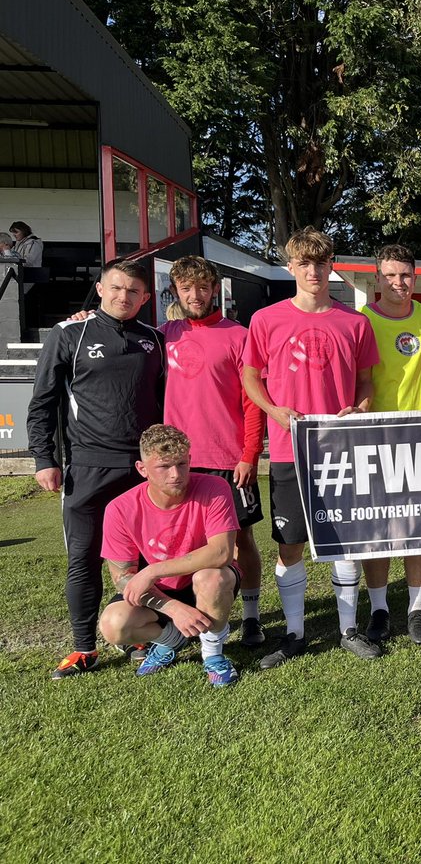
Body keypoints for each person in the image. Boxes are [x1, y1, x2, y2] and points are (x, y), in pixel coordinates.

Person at [242, 226, 379, 668]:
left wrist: (359, 410)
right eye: (305, 264)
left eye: (321, 263)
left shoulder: (354, 321)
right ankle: (295, 634)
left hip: (342, 449)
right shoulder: (267, 319)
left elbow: (365, 382)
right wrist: (274, 410)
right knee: (290, 543)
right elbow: (250, 377)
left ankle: (348, 630)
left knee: (346, 542)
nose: (314, 271)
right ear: (291, 268)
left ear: (330, 266)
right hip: (288, 447)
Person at [28, 257, 165, 680]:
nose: (124, 296)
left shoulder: (154, 339)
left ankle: (141, 636)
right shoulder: (70, 332)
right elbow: (43, 402)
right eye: (117, 287)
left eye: (134, 291)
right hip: (87, 467)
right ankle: (83, 647)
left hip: (141, 470)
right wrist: (44, 459)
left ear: (145, 298)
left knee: (141, 558)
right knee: (83, 558)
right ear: (101, 288)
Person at [160, 256, 266, 648]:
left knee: (243, 540)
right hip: (179, 462)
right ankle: (188, 618)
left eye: (202, 287)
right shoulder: (163, 335)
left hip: (228, 459)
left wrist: (250, 453)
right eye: (186, 288)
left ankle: (252, 616)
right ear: (175, 291)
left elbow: (253, 401)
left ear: (214, 289)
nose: (195, 295)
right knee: (183, 544)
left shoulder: (238, 335)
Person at [97, 425, 242, 687]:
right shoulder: (119, 509)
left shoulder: (215, 487)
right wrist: (173, 608)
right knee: (113, 624)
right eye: (164, 467)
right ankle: (170, 641)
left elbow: (221, 552)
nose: (176, 475)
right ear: (142, 469)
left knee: (211, 578)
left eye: (182, 464)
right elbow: (122, 577)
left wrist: (152, 570)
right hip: (162, 592)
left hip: (207, 579)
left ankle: (213, 655)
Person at [359, 244, 421, 647]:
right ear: (377, 278)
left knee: (418, 525)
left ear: (415, 277)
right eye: (390, 275)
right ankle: (378, 608)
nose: (398, 282)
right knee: (377, 526)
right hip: (377, 434)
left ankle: (416, 608)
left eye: (405, 275)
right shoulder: (363, 320)